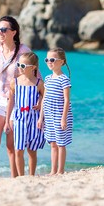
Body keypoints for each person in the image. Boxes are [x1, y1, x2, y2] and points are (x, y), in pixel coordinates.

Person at [0, 16, 40, 178]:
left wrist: (39, 99)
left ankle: (15, 179)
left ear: (14, 32)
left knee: (12, 146)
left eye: (4, 30)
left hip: (17, 102)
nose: (0, 33)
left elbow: (37, 77)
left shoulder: (24, 51)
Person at [4, 52, 45, 176]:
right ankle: (21, 177)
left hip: (34, 119)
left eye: (23, 66)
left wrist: (40, 108)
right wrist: (7, 121)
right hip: (19, 119)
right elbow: (11, 101)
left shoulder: (39, 83)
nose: (20, 68)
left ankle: (31, 175)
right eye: (19, 65)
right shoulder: (14, 82)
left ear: (33, 67)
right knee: (18, 149)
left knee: (32, 150)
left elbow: (44, 97)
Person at [37, 47, 73, 175]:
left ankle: (60, 170)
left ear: (61, 62)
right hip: (49, 114)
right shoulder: (47, 79)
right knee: (52, 143)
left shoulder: (64, 79)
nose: (49, 62)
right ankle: (53, 170)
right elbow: (44, 99)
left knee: (61, 143)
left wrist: (63, 118)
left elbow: (67, 99)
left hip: (59, 114)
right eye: (47, 60)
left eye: (52, 59)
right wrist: (41, 118)